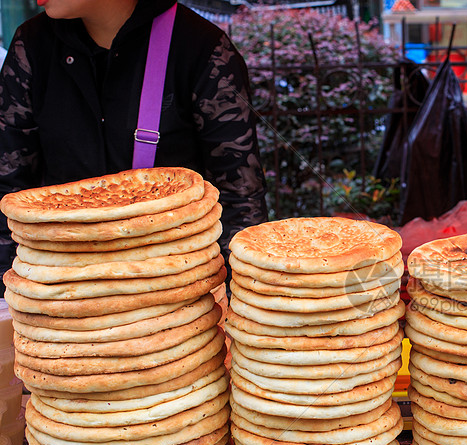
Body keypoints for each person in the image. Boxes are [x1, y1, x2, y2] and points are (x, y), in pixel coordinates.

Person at [0, 0, 267, 278]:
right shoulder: (31, 45)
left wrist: (233, 301)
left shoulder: (202, 48)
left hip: (178, 290)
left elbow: (240, 200)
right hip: (60, 292)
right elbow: (8, 189)